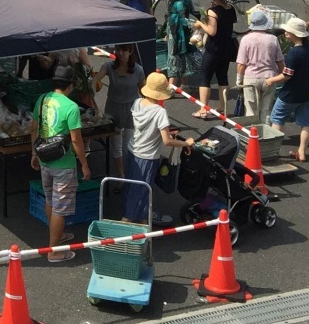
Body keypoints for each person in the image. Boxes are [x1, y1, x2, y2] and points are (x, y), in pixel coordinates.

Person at [30, 66, 92, 262]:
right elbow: (76, 140)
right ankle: (54, 250)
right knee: (60, 207)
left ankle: (57, 236)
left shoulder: (42, 99)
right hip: (63, 162)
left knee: (50, 200)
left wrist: (33, 152)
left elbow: (33, 128)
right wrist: (84, 163)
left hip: (44, 157)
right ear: (70, 85)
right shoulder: (71, 107)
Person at [125, 72, 193, 225]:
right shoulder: (160, 112)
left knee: (134, 190)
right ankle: (121, 232)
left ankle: (144, 220)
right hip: (147, 157)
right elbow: (167, 141)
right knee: (140, 193)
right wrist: (186, 143)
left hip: (133, 151)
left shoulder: (137, 102)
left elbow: (147, 126)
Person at [266, 17, 309, 162]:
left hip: (289, 94)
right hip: (307, 93)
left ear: (295, 33)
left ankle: (273, 151)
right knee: (305, 123)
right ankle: (301, 152)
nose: (285, 33)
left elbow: (286, 75)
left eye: (288, 31)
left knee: (277, 119)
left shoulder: (294, 53)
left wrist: (271, 79)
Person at [99, 45, 144, 179]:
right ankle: (121, 176)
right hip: (113, 109)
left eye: (124, 50)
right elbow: (97, 78)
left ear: (130, 52)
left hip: (131, 109)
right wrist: (92, 83)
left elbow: (144, 92)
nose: (120, 53)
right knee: (116, 145)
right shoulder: (109, 66)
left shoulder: (138, 70)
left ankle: (130, 174)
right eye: (118, 50)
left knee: (128, 145)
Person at [235, 8, 284, 124]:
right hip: (269, 77)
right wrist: (283, 76)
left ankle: (253, 135)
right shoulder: (273, 39)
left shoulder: (246, 39)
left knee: (251, 110)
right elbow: (280, 61)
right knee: (266, 109)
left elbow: (241, 64)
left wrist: (239, 80)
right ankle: (265, 133)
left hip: (250, 78)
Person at [193, 0, 237, 119]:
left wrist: (201, 23)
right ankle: (223, 107)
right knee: (222, 77)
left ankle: (203, 109)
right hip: (227, 47)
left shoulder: (213, 12)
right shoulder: (230, 8)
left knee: (205, 78)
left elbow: (212, 31)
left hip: (214, 48)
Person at [162, 0, 200, 87]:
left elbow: (184, 21)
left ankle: (171, 88)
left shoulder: (179, 4)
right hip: (174, 33)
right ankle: (185, 85)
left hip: (177, 36)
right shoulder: (173, 1)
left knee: (173, 59)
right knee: (181, 59)